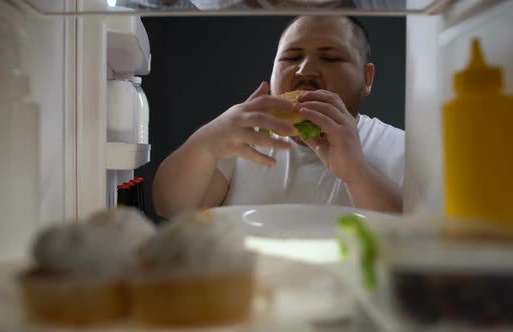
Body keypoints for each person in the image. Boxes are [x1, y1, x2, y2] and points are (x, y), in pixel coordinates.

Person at [153, 16, 404, 218]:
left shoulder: (401, 147)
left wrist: (356, 172)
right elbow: (170, 206)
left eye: (330, 58)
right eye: (291, 58)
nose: (305, 70)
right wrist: (206, 142)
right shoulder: (241, 141)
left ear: (367, 79)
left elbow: (415, 236)